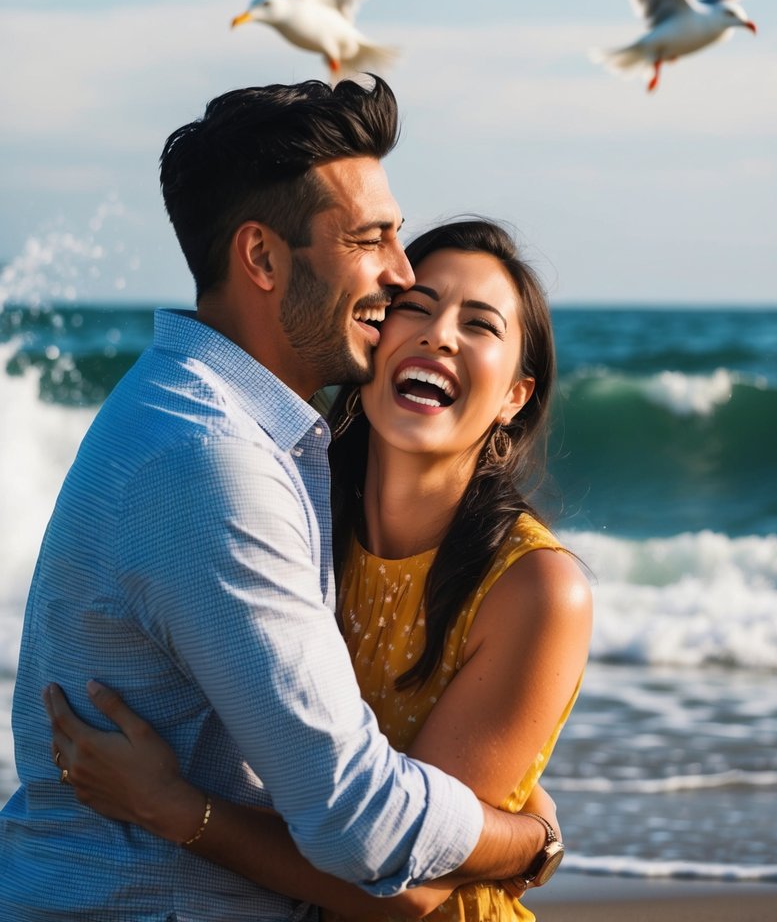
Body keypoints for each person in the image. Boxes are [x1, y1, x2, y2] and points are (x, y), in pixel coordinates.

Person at [0, 79, 562, 920]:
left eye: (397, 236)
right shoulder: (212, 463)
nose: (401, 274)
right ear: (262, 258)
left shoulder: (216, 422)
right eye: (370, 239)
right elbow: (355, 819)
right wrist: (528, 840)